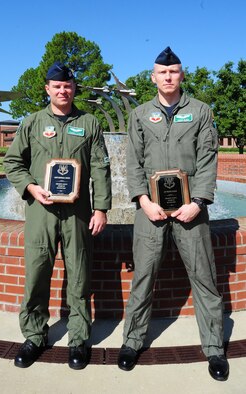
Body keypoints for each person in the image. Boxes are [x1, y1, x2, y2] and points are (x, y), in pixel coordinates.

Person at [117, 47, 229, 381]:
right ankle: (132, 341)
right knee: (143, 278)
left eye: (174, 71)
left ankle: (214, 349)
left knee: (205, 279)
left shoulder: (200, 111)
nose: (168, 77)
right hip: (150, 211)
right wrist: (143, 200)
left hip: (191, 210)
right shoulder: (139, 114)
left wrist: (198, 202)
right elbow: (132, 162)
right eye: (162, 72)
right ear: (153, 77)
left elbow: (208, 159)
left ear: (181, 75)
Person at [4, 61, 112, 370]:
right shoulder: (32, 122)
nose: (63, 90)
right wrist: (31, 188)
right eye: (57, 86)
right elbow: (13, 162)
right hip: (41, 211)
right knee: (37, 274)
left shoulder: (90, 123)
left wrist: (101, 207)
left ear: (74, 88)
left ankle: (78, 339)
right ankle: (35, 336)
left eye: (68, 86)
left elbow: (102, 168)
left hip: (78, 213)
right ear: (48, 89)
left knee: (79, 275)